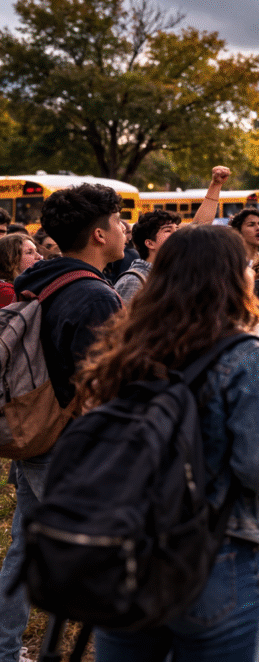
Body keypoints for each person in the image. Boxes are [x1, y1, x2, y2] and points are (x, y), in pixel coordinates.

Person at [75, 225, 259, 661]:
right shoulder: (243, 353)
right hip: (216, 552)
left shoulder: (126, 348)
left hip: (127, 550)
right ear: (233, 277)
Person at [2, 183, 126, 662]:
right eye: (118, 222)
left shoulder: (43, 279)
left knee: (26, 550)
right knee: (90, 557)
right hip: (69, 447)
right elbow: (103, 387)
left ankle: (5, 649)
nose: (124, 228)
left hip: (36, 435)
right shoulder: (94, 295)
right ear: (98, 234)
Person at [114, 209, 180, 303]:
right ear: (150, 243)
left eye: (177, 229)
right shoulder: (134, 282)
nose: (177, 234)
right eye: (168, 230)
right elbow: (127, 317)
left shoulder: (167, 274)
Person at [0, 234, 43, 306]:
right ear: (11, 259)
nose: (39, 257)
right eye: (29, 252)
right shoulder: (6, 292)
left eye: (36, 251)